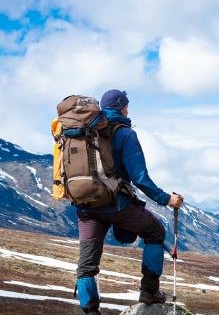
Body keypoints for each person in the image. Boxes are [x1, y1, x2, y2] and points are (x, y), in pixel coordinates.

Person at [75, 89, 183, 315]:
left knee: (87, 265)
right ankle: (149, 291)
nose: (128, 109)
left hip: (85, 204)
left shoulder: (82, 132)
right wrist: (166, 199)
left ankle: (91, 312)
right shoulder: (125, 134)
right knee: (155, 232)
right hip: (115, 204)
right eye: (127, 105)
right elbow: (139, 177)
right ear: (122, 107)